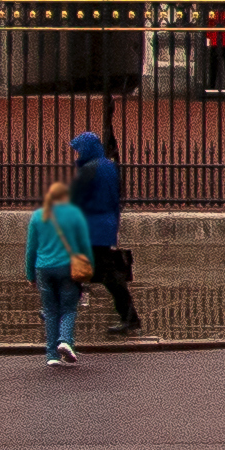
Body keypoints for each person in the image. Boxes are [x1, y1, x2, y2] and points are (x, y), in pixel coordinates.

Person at [67, 131, 141, 337]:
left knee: (105, 274)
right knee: (86, 269)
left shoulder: (89, 170)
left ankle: (130, 318)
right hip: (106, 224)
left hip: (91, 227)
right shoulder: (109, 166)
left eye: (79, 149)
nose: (77, 153)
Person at [27, 174, 95, 366]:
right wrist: (88, 270)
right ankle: (65, 340)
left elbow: (31, 248)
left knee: (50, 311)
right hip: (67, 268)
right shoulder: (74, 215)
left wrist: (30, 274)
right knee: (68, 308)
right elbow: (84, 245)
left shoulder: (38, 216)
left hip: (43, 268)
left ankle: (52, 356)